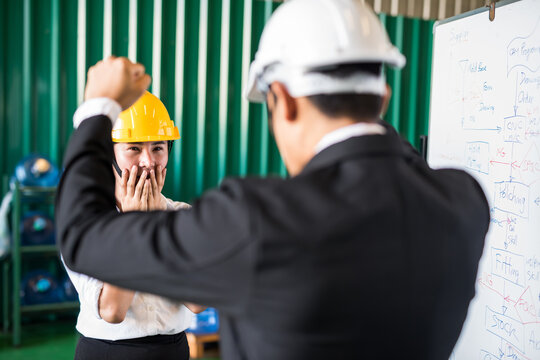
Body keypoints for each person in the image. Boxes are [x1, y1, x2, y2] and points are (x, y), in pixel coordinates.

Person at [57, 1, 490, 359]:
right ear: (384, 95)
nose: (149, 161)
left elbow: (81, 236)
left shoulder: (256, 220)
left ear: (281, 100)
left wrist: (98, 108)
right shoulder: (463, 199)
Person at [63, 92, 205, 360]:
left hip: (173, 350)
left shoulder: (184, 216)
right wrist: (136, 226)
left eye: (158, 148)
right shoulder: (85, 222)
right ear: (110, 154)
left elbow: (198, 301)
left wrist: (155, 226)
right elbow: (113, 310)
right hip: (106, 351)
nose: (148, 162)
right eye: (134, 148)